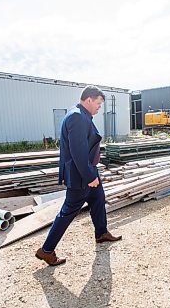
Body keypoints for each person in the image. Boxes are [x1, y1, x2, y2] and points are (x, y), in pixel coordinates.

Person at [36, 85, 122, 266]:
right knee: (68, 211)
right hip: (80, 174)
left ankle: (101, 233)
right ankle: (46, 250)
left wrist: (93, 174)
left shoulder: (81, 114)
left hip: (88, 170)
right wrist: (90, 176)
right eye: (98, 103)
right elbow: (78, 152)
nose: (100, 107)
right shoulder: (76, 116)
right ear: (89, 100)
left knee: (98, 198)